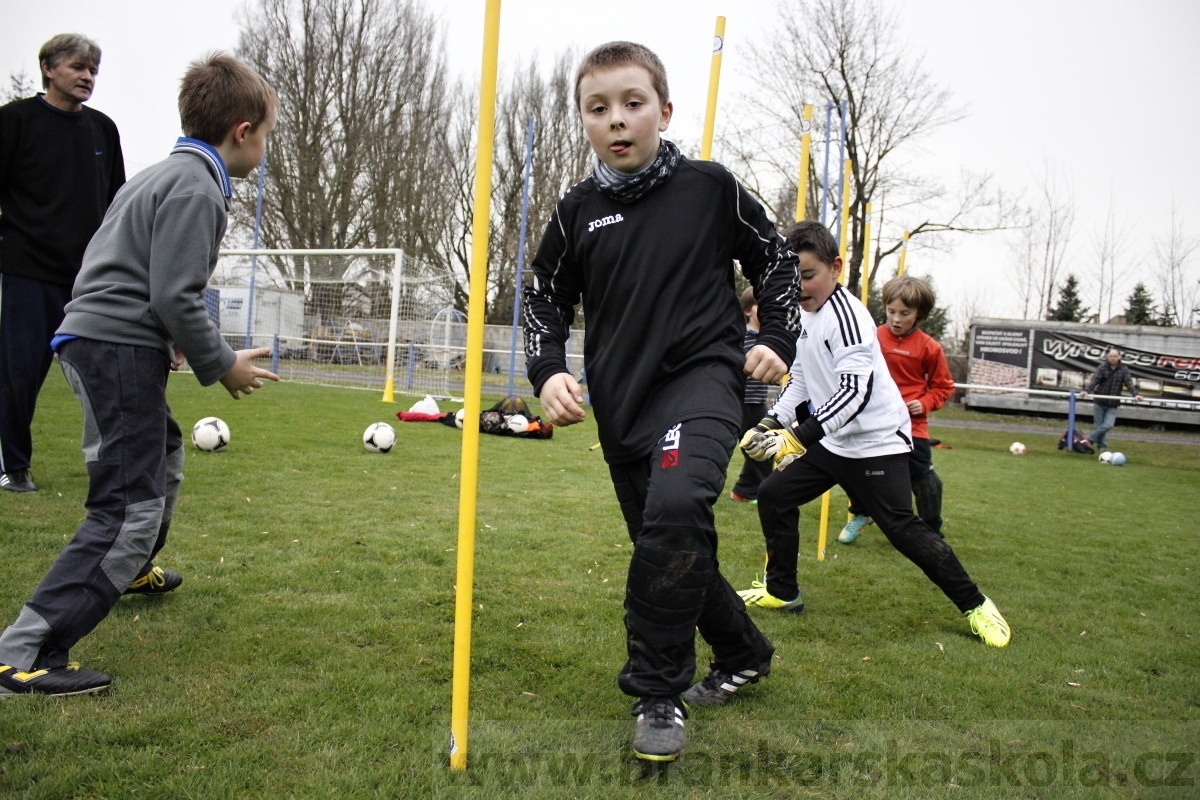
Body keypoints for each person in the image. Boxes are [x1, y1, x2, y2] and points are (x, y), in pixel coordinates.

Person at [523, 41, 800, 762]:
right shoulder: (578, 210)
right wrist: (546, 370)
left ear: (664, 111)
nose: (617, 119)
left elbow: (774, 257)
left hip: (707, 381)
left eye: (632, 103)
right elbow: (543, 297)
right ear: (583, 121)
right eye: (598, 107)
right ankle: (744, 650)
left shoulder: (709, 187)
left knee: (676, 512)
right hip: (621, 405)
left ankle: (657, 693)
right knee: (669, 542)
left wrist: (777, 336)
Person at [0, 53, 279, 698]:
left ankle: (129, 572)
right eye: (264, 136)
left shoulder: (158, 175)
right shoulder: (199, 187)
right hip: (113, 348)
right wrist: (221, 364)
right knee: (129, 508)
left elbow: (123, 268)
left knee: (167, 454)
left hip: (108, 340)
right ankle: (23, 650)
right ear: (241, 132)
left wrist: (163, 341)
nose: (263, 149)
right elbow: (175, 296)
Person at [736, 221, 1010, 650]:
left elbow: (854, 393)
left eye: (809, 275)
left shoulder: (847, 316)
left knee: (903, 529)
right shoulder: (801, 313)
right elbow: (803, 378)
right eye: (794, 277)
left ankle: (977, 605)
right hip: (834, 439)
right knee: (774, 495)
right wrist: (772, 421)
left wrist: (796, 438)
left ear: (837, 267)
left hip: (876, 443)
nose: (801, 286)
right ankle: (783, 592)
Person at [0, 34, 126, 493]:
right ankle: (14, 467)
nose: (87, 77)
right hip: (27, 275)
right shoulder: (14, 121)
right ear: (49, 68)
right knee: (19, 376)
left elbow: (117, 206)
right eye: (78, 67)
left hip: (88, 281)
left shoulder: (103, 130)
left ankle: (115, 465)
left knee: (104, 375)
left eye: (93, 70)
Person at [838, 275, 955, 543]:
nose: (896, 319)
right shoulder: (871, 336)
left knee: (922, 478)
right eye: (891, 311)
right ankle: (861, 512)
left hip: (912, 427)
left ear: (919, 314)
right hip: (872, 421)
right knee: (854, 468)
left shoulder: (929, 347)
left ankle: (931, 530)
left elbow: (943, 387)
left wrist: (924, 403)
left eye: (905, 313)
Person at [729, 287, 774, 504]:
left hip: (757, 402)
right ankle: (760, 491)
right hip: (740, 402)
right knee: (755, 448)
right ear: (748, 311)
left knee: (760, 446)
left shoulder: (768, 339)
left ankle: (745, 491)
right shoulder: (742, 336)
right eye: (760, 306)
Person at [1082, 348, 1143, 452]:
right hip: (1100, 401)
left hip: (1113, 403)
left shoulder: (1124, 369)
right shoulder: (1102, 368)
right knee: (1098, 426)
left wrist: (1135, 395)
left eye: (1115, 356)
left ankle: (1089, 440)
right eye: (1111, 356)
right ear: (1107, 357)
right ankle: (1102, 448)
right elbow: (1095, 381)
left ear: (1119, 357)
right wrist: (1087, 391)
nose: (1113, 358)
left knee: (1108, 425)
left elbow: (1129, 383)